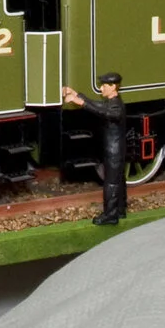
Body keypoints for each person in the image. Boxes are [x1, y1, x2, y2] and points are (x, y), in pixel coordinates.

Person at [61, 74, 130, 225]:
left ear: (113, 87)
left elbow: (104, 112)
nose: (101, 88)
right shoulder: (112, 102)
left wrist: (81, 103)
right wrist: (77, 95)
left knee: (111, 182)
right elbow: (98, 105)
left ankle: (111, 215)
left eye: (104, 85)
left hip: (114, 150)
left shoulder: (116, 106)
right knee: (118, 179)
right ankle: (120, 209)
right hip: (114, 149)